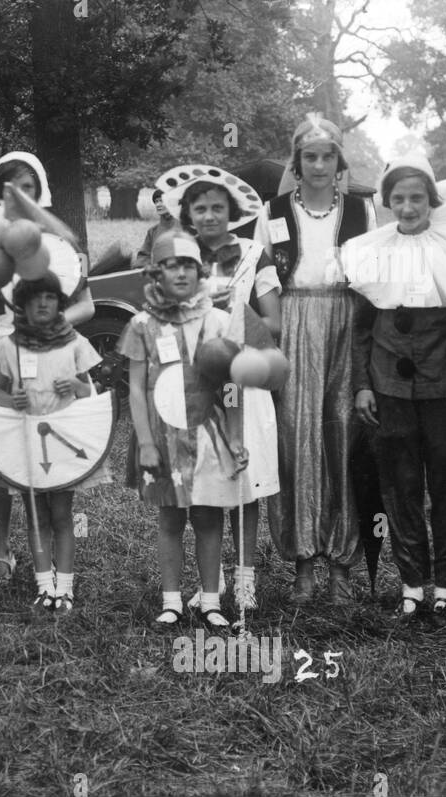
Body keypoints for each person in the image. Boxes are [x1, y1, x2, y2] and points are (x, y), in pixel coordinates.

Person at [344, 155, 446, 623]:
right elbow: (361, 331)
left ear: (432, 201)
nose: (408, 207)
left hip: (445, 392)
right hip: (390, 391)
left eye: (417, 197)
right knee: (400, 485)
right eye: (399, 198)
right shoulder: (371, 253)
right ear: (388, 203)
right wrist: (361, 386)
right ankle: (412, 584)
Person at [0, 150, 92, 582]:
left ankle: (48, 551)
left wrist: (54, 325)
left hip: (51, 356)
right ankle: (0, 548)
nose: (19, 198)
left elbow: (85, 304)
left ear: (39, 193)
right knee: (2, 451)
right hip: (1, 358)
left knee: (49, 445)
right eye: (11, 191)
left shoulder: (58, 248)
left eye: (27, 189)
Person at [254, 114, 374, 605]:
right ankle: (303, 562)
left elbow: (375, 276)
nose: (320, 164)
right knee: (296, 434)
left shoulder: (362, 212)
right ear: (297, 162)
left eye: (328, 156)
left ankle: (342, 565)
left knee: (344, 435)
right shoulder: (275, 210)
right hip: (294, 317)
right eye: (310, 156)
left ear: (339, 161)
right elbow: (261, 279)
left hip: (347, 321)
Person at [157, 164, 279, 610]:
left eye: (217, 208)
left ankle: (245, 579)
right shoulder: (178, 256)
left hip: (242, 373)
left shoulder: (253, 254)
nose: (209, 216)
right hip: (194, 385)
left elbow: (274, 322)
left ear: (232, 212)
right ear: (187, 213)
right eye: (200, 208)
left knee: (244, 477)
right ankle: (214, 583)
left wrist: (232, 314)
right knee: (206, 481)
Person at [119, 232, 246, 630]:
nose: (180, 273)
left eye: (188, 265)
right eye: (170, 265)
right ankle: (171, 600)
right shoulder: (142, 324)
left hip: (207, 434)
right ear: (155, 273)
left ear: (201, 271)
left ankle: (211, 600)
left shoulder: (218, 320)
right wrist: (144, 442)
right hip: (163, 435)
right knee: (171, 519)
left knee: (209, 518)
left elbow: (231, 386)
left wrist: (236, 435)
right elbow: (136, 387)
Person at [0, 271, 107, 610]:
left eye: (50, 297)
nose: (42, 303)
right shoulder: (12, 345)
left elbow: (90, 392)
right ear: (21, 304)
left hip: (63, 441)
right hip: (27, 439)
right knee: (36, 513)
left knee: (62, 514)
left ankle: (64, 587)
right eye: (35, 298)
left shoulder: (75, 342)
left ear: (60, 303)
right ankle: (43, 585)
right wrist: (13, 401)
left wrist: (78, 388)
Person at [133, 188, 180, 269]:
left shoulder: (185, 228)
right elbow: (143, 257)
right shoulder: (152, 231)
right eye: (156, 202)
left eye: (161, 201)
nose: (158, 205)